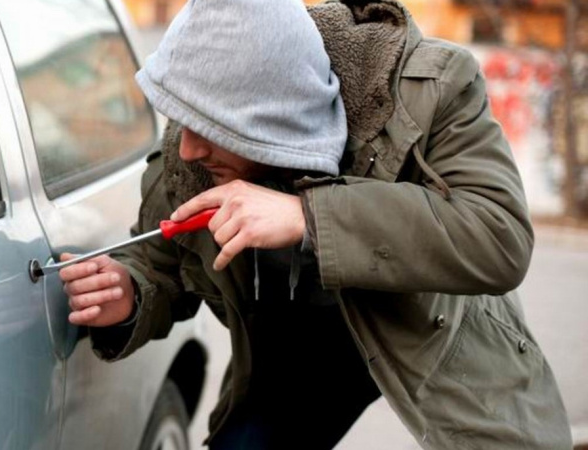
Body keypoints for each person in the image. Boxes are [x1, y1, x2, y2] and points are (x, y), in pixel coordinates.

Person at [59, 0, 572, 448]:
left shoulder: (431, 90)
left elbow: (498, 235)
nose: (189, 148)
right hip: (300, 350)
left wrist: (307, 216)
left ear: (271, 117)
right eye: (183, 121)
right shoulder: (189, 154)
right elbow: (163, 262)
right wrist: (131, 290)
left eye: (210, 129)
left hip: (433, 325)